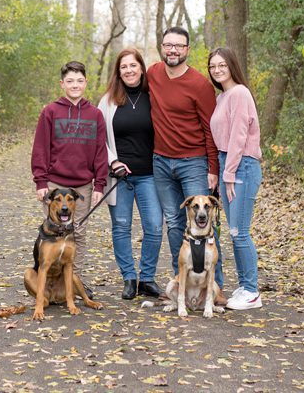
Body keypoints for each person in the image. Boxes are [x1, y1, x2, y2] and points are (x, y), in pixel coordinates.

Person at [147, 26, 227, 305]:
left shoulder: (200, 85)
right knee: (175, 224)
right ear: (161, 47)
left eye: (179, 46)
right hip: (161, 161)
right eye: (168, 45)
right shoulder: (153, 74)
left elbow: (210, 129)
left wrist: (213, 168)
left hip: (193, 162)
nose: (173, 50)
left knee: (203, 220)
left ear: (187, 50)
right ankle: (181, 280)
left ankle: (214, 288)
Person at [31, 60, 108, 298]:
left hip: (82, 184)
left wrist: (100, 184)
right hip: (55, 183)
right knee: (54, 232)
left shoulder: (95, 114)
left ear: (86, 83)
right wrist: (41, 182)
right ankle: (52, 283)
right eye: (70, 81)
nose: (75, 85)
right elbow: (41, 148)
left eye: (80, 80)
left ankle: (76, 282)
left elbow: (100, 151)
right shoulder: (50, 111)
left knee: (79, 233)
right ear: (62, 84)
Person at [98, 49, 163, 300]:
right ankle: (129, 277)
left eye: (133, 66)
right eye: (123, 67)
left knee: (155, 227)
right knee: (122, 227)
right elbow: (98, 138)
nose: (129, 70)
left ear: (141, 68)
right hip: (119, 177)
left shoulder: (153, 97)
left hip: (149, 175)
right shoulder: (108, 101)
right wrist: (112, 162)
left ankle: (147, 278)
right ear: (118, 72)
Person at [207, 47, 264, 310]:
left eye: (222, 65)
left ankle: (252, 291)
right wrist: (220, 171)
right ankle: (244, 286)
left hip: (242, 165)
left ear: (232, 65)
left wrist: (228, 173)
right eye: (213, 66)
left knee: (240, 232)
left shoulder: (240, 93)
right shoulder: (223, 97)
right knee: (234, 231)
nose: (217, 70)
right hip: (227, 162)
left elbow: (239, 135)